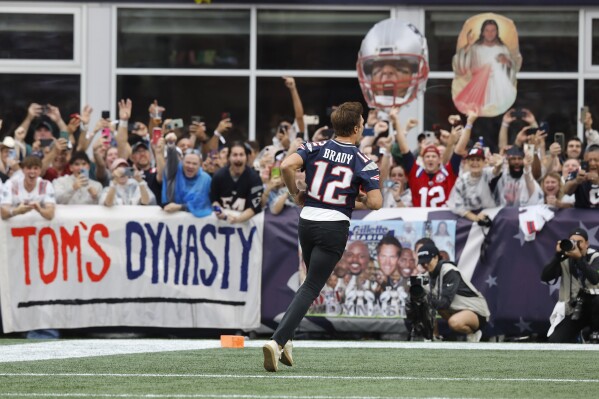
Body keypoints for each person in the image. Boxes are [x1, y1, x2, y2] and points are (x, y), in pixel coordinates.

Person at [262, 101, 383, 372]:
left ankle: (287, 340)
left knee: (307, 282)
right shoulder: (363, 161)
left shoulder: (314, 147)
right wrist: (353, 199)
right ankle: (277, 341)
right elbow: (376, 202)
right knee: (311, 286)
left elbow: (286, 168)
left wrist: (296, 194)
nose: (363, 125)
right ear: (355, 127)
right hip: (334, 225)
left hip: (307, 220)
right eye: (362, 122)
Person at [392, 108, 472, 207]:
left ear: (439, 160)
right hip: (419, 221)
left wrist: (469, 123)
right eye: (427, 156)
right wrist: (396, 121)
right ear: (423, 159)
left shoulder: (448, 172)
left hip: (443, 221)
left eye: (434, 156)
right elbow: (404, 149)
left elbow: (460, 149)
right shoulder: (415, 172)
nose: (430, 158)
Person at [417, 242, 490, 342]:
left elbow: (444, 302)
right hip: (457, 309)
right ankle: (434, 337)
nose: (425, 264)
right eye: (422, 262)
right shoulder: (426, 276)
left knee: (454, 322)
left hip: (476, 311)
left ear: (436, 258)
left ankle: (473, 333)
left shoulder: (449, 271)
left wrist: (425, 300)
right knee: (425, 306)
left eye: (427, 261)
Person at [541, 228, 599, 343]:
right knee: (555, 342)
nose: (576, 245)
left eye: (580, 242)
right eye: (573, 241)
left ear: (587, 244)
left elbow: (594, 279)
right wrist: (557, 256)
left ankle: (593, 333)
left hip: (596, 309)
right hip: (575, 308)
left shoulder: (596, 257)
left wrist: (579, 259)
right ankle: (582, 334)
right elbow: (545, 277)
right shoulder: (564, 258)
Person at [452, 19, 520, 116]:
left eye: (493, 31)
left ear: (497, 32)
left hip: (499, 84)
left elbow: (511, 68)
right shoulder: (475, 48)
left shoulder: (502, 48)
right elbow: (461, 63)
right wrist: (469, 45)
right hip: (479, 82)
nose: (490, 33)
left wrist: (506, 62)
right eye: (487, 30)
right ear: (483, 32)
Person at [210, 141, 264, 224]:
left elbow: (254, 207)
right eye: (235, 155)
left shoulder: (255, 178)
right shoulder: (218, 176)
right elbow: (214, 200)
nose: (238, 159)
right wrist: (218, 211)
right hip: (221, 226)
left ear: (246, 157)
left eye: (241, 155)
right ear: (229, 157)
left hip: (245, 227)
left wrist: (237, 220)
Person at [161, 133, 212, 217]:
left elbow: (202, 203)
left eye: (194, 164)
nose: (190, 166)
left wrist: (180, 207)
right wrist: (171, 144)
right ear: (182, 162)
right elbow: (171, 161)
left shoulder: (205, 179)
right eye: (188, 162)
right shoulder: (175, 172)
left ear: (200, 165)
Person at [447, 147, 499, 223]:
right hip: (470, 220)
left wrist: (499, 166)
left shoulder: (487, 174)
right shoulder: (461, 180)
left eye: (478, 160)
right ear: (467, 161)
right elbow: (458, 206)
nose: (475, 163)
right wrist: (477, 219)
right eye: (472, 160)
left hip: (491, 216)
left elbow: (495, 172)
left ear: (484, 162)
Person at [0, 155, 56, 221]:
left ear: (40, 171)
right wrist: (17, 211)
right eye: (29, 168)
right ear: (23, 170)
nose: (32, 171)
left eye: (36, 168)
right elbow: (3, 213)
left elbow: (50, 214)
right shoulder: (11, 184)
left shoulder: (45, 185)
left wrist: (39, 210)